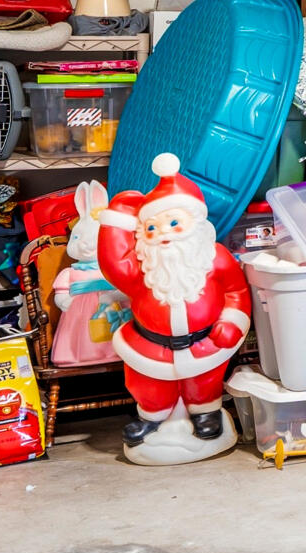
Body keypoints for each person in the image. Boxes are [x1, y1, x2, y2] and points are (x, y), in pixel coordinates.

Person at [93, 153, 249, 465]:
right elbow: (112, 262)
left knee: (204, 383)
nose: (163, 233)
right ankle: (152, 418)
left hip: (205, 342)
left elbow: (236, 290)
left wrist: (232, 320)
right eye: (152, 228)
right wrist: (118, 215)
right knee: (149, 386)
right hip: (151, 346)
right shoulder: (142, 265)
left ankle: (206, 414)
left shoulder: (215, 258)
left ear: (196, 224)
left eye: (174, 223)